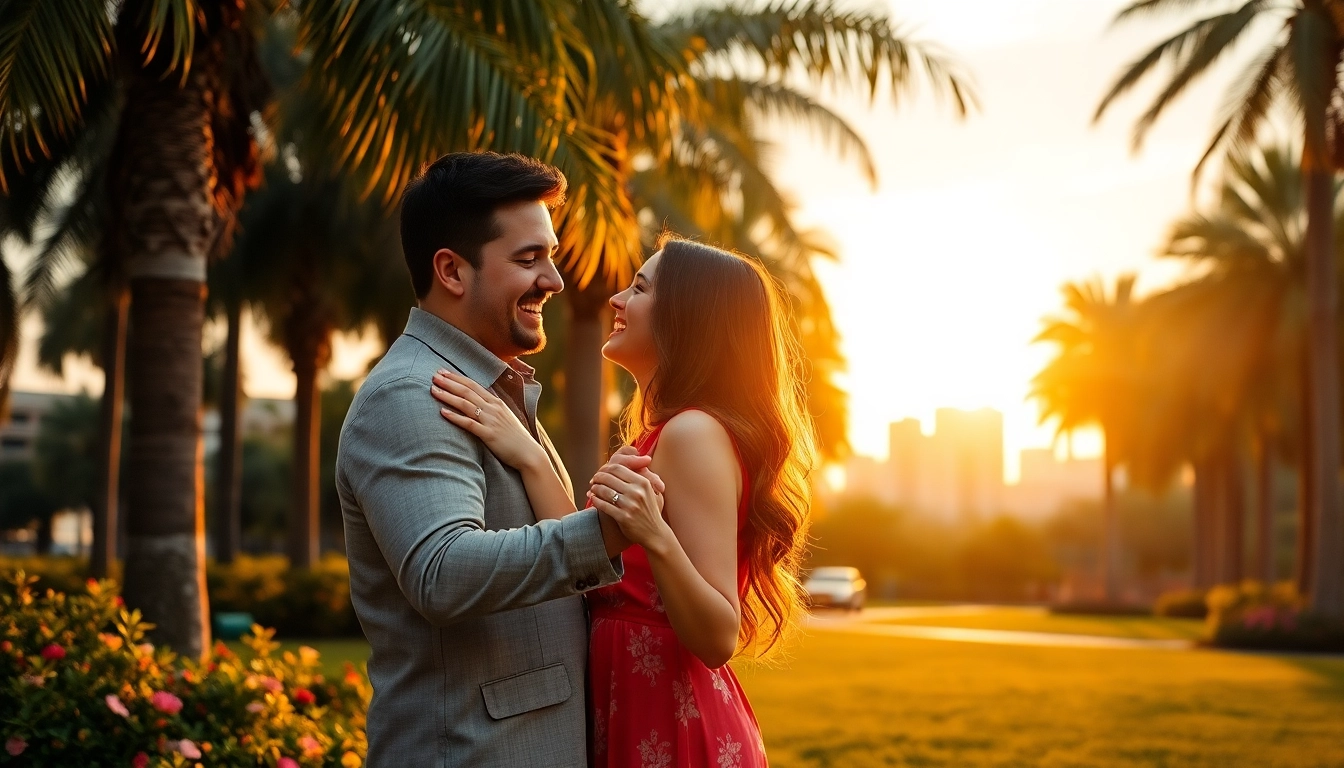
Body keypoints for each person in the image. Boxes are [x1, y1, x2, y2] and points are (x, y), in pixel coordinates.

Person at [430, 235, 816, 767]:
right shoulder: (658, 437)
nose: (616, 299)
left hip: (677, 727)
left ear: (688, 316)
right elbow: (589, 563)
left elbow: (719, 634)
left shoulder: (692, 434)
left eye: (639, 287)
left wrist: (654, 534)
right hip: (633, 717)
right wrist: (528, 454)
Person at [335, 151, 660, 767]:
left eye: (551, 255)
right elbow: (442, 571)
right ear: (452, 271)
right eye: (528, 259)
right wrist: (605, 531)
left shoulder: (489, 389)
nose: (555, 281)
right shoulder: (410, 395)